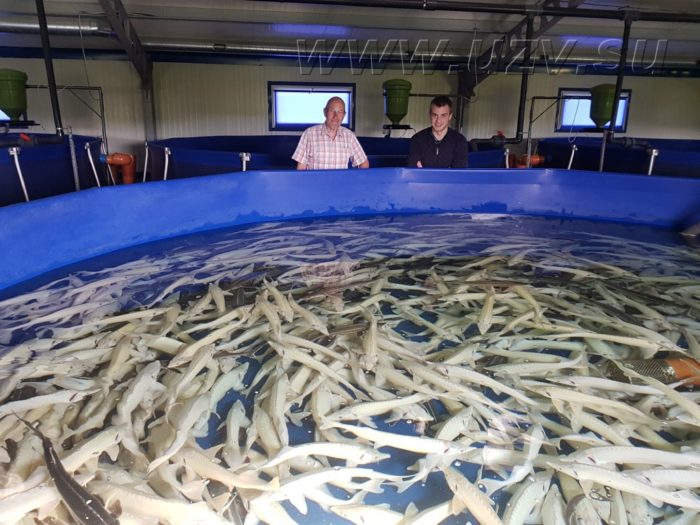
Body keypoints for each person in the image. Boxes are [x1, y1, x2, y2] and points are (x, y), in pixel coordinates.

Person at [292, 97, 370, 170]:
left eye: (340, 112)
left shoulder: (349, 136)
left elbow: (364, 163)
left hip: (341, 184)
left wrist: (355, 182)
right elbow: (301, 168)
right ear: (325, 112)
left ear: (344, 115)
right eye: (332, 111)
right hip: (315, 184)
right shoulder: (309, 134)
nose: (335, 116)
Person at [407, 96, 468, 168]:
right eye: (435, 115)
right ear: (430, 115)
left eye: (443, 115)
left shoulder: (459, 141)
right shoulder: (417, 139)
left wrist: (424, 171)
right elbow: (413, 172)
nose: (438, 121)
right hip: (423, 180)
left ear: (450, 116)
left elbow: (459, 174)